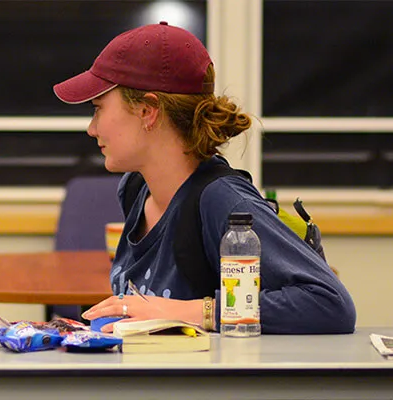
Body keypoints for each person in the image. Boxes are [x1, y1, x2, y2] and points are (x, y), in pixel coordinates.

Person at [53, 22, 355, 334]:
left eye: (98, 109)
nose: (92, 128)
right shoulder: (134, 188)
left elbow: (330, 303)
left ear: (148, 110)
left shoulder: (221, 199)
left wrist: (188, 311)